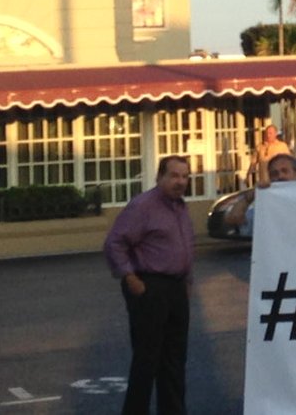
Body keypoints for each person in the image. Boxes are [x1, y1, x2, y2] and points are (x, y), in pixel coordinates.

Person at [103, 155, 194, 415]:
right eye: (174, 175)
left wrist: (187, 281)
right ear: (159, 177)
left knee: (175, 360)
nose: (180, 182)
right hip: (150, 287)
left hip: (176, 289)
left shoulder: (180, 207)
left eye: (185, 177)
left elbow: (185, 246)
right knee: (147, 360)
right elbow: (114, 243)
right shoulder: (143, 206)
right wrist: (130, 278)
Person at [226, 153, 296, 238]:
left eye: (285, 171)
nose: (280, 176)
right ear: (270, 178)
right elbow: (234, 218)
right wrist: (248, 198)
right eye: (274, 173)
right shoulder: (264, 208)